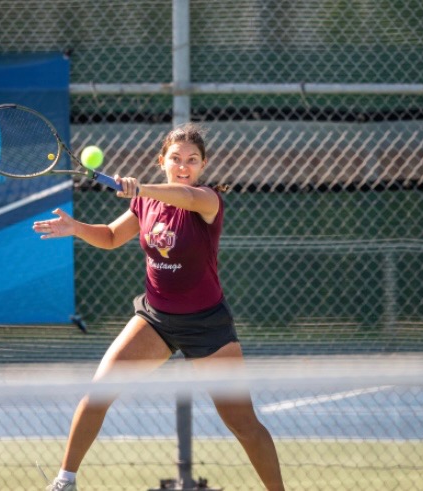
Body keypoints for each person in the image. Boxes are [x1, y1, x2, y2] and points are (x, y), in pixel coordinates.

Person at [33, 124, 285, 491]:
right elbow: (111, 236)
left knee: (242, 423)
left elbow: (183, 195)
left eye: (192, 161)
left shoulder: (208, 199)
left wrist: (141, 186)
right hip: (156, 319)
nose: (184, 166)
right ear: (161, 160)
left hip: (207, 325)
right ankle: (64, 481)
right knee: (98, 392)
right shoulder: (145, 201)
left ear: (202, 166)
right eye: (175, 158)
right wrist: (77, 228)